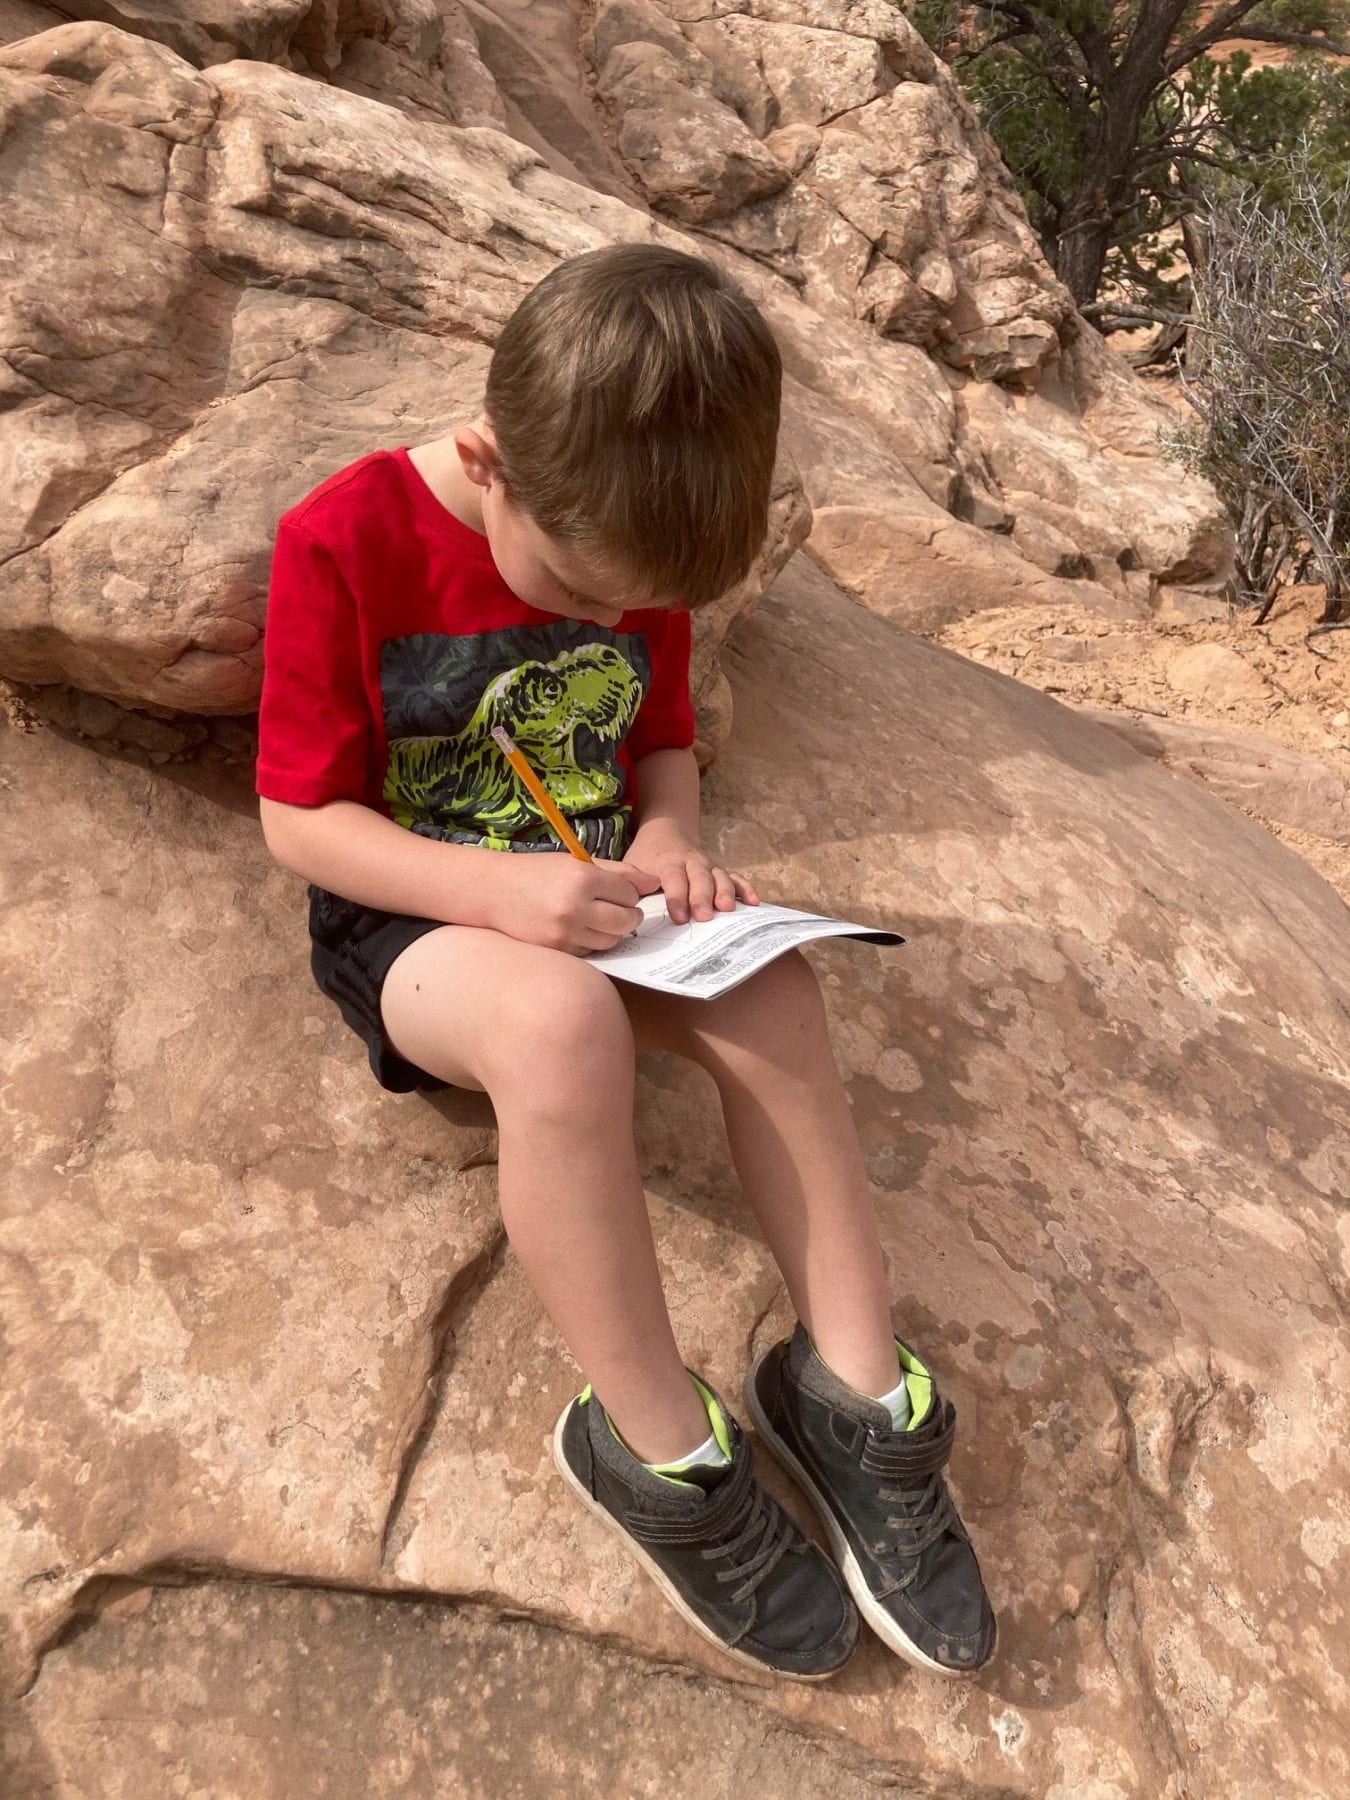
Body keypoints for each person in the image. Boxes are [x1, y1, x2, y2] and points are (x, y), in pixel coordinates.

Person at [254, 242, 996, 1681]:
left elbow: (657, 734)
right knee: (556, 1033)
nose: (602, 624)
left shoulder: (632, 525)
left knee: (773, 981)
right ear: (491, 464)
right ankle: (656, 1444)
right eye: (576, 592)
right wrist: (498, 897)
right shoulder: (345, 539)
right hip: (417, 917)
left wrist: (668, 837)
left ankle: (850, 1392)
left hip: (600, 891)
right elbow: (300, 819)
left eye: (628, 606)